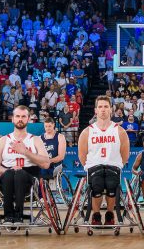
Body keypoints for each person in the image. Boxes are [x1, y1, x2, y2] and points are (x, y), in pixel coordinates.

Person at [0, 105, 51, 223]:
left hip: (29, 179)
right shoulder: (4, 140)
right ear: (12, 119)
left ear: (28, 119)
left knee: (20, 174)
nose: (20, 119)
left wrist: (25, 152)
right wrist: (8, 170)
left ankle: (18, 214)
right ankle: (8, 215)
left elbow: (46, 164)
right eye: (17, 116)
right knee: (10, 174)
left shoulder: (35, 139)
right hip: (7, 177)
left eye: (23, 116)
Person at [78, 96, 130, 227]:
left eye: (106, 107)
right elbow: (82, 155)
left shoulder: (119, 131)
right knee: (97, 186)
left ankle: (110, 214)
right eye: (100, 107)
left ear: (111, 110)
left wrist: (118, 163)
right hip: (94, 168)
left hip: (113, 167)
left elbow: (125, 154)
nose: (103, 110)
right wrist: (89, 165)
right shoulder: (87, 131)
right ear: (95, 110)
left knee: (112, 186)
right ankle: (96, 215)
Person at [40, 117, 67, 185]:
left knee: (45, 170)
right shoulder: (40, 138)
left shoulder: (60, 137)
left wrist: (48, 161)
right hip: (44, 164)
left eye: (49, 126)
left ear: (54, 125)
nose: (48, 128)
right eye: (46, 126)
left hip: (56, 165)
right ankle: (40, 192)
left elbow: (61, 157)